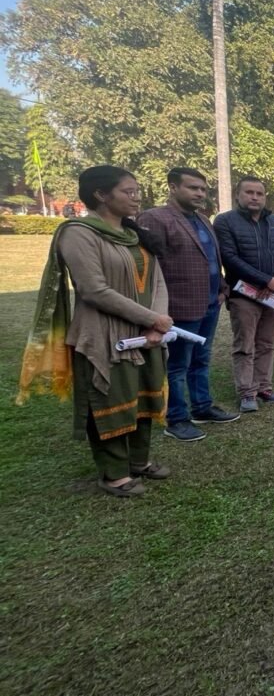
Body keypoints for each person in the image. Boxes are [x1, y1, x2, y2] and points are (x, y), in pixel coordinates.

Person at [19, 166, 172, 497]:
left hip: (148, 333)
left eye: (137, 190)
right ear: (102, 195)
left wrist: (158, 319)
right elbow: (93, 290)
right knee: (111, 400)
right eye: (128, 191)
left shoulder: (135, 233)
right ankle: (114, 474)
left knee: (144, 397)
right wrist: (151, 319)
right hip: (104, 334)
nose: (136, 197)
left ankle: (138, 461)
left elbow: (157, 279)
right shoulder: (78, 233)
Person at [138, 167, 238, 443]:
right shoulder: (155, 218)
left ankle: (202, 407)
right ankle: (177, 418)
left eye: (203, 189)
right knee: (177, 365)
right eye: (193, 188)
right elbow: (148, 266)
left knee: (201, 359)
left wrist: (222, 289)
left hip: (210, 302)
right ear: (173, 187)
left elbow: (211, 259)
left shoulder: (204, 220)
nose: (199, 193)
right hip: (178, 307)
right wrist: (156, 310)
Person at [214, 175, 274, 412]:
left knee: (267, 343)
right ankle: (247, 393)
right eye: (249, 192)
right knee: (245, 345)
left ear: (265, 197)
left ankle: (264, 387)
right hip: (243, 295)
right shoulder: (225, 221)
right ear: (238, 195)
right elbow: (229, 257)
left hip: (273, 294)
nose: (254, 197)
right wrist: (265, 280)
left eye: (259, 193)